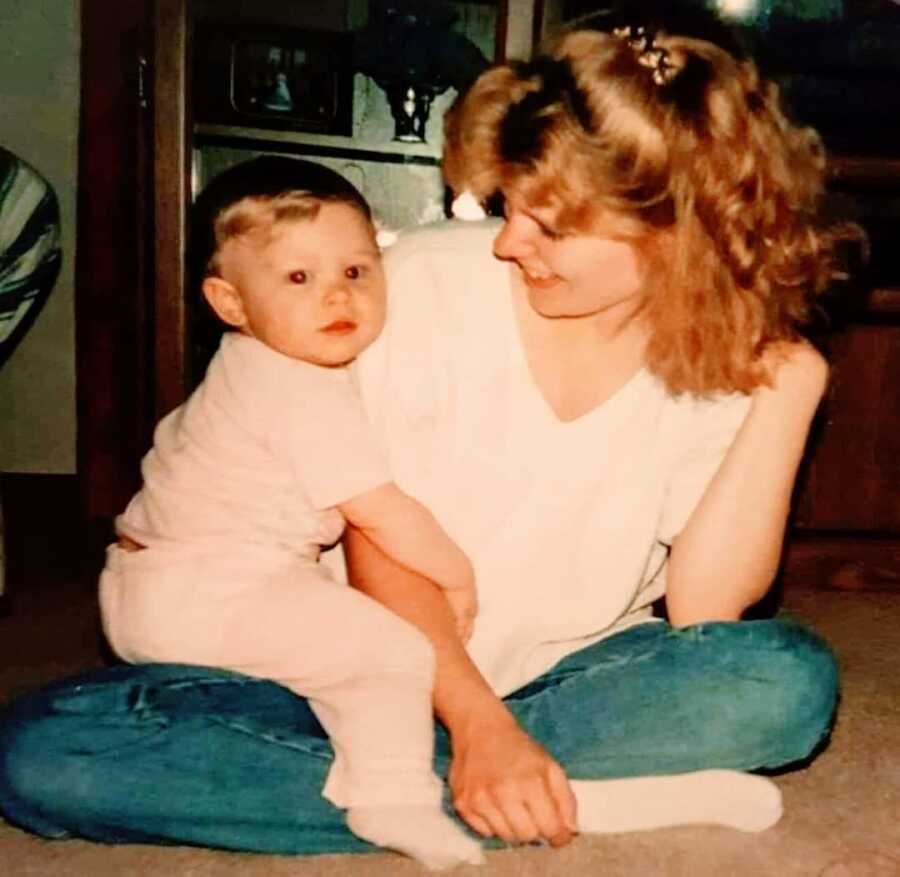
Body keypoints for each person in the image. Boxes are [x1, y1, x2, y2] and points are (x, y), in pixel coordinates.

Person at [0, 13, 853, 860]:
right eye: (513, 204)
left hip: (569, 686)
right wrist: (477, 724)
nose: (512, 240)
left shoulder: (712, 358)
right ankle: (528, 787)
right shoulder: (427, 280)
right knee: (45, 752)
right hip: (343, 677)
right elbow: (376, 540)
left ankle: (432, 783)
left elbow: (707, 609)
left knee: (783, 683)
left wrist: (792, 386)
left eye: (551, 225)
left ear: (676, 229)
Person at [71, 156, 484, 869]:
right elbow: (380, 510)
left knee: (332, 655)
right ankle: (392, 795)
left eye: (356, 272)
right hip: (210, 588)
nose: (336, 296)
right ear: (230, 304)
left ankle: (304, 753)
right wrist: (457, 573)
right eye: (299, 278)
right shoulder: (297, 385)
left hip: (158, 582)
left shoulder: (244, 364)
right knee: (393, 650)